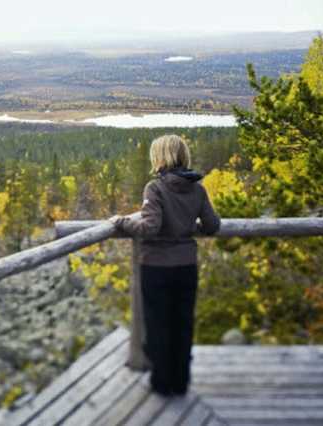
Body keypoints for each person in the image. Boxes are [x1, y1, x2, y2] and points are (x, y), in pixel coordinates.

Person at [109, 134, 220, 397]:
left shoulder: (155, 188)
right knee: (183, 325)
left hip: (157, 268)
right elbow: (213, 226)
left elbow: (149, 227)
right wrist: (188, 227)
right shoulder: (198, 188)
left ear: (160, 158)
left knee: (158, 325)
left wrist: (121, 222)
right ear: (183, 156)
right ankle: (180, 383)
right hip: (186, 267)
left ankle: (162, 384)